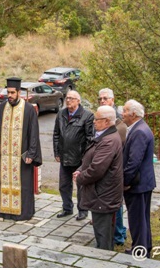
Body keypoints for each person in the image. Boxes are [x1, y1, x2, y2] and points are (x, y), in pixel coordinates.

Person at [0, 77, 42, 221]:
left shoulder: (28, 109)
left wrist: (31, 153)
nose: (10, 96)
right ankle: (5, 212)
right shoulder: (2, 108)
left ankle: (23, 213)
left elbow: (33, 133)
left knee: (23, 185)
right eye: (8, 93)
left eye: (12, 93)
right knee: (4, 183)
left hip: (22, 156)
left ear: (19, 92)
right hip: (6, 156)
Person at [73, 106, 123, 250]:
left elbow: (97, 169)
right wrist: (80, 170)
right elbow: (91, 158)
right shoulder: (105, 136)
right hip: (101, 193)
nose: (94, 122)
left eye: (97, 119)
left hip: (103, 194)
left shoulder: (109, 140)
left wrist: (80, 177)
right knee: (101, 232)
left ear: (107, 121)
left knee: (103, 236)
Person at [121, 99, 155, 257]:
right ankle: (144, 247)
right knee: (142, 217)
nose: (123, 113)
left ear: (133, 114)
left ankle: (140, 250)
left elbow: (134, 161)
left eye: (125, 110)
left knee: (137, 219)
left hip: (138, 184)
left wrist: (125, 182)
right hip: (143, 182)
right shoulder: (139, 128)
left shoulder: (139, 131)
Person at [53, 90, 93, 221]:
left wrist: (86, 157)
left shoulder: (87, 116)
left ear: (78, 101)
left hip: (79, 158)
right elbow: (56, 135)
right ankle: (67, 208)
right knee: (64, 185)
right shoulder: (61, 114)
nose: (68, 100)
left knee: (81, 186)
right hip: (64, 156)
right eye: (67, 98)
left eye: (71, 98)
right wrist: (57, 152)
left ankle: (83, 210)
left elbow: (90, 138)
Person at [98, 88, 127, 246]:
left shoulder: (118, 122)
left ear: (113, 100)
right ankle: (116, 230)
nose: (102, 100)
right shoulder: (101, 117)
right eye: (100, 98)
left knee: (115, 204)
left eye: (105, 98)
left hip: (114, 170)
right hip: (105, 169)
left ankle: (118, 234)